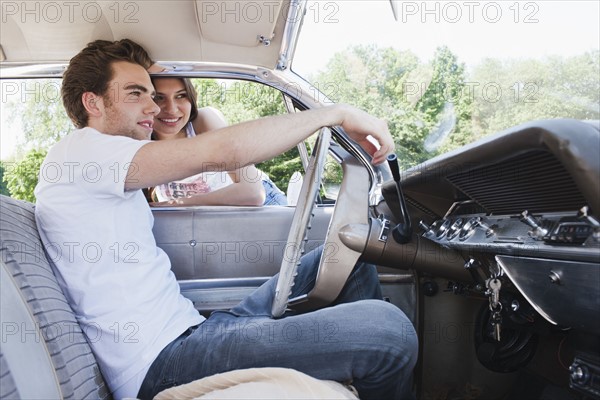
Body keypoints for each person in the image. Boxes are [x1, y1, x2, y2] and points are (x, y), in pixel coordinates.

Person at [34, 39, 417, 399]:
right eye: (136, 94)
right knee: (389, 332)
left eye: (152, 95)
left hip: (194, 331)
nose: (154, 108)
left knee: (346, 261)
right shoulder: (83, 152)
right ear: (93, 103)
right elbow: (224, 151)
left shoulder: (97, 161)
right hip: (163, 362)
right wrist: (335, 114)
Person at [149, 76, 288, 206]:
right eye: (159, 98)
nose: (171, 109)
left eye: (180, 96)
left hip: (263, 204)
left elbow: (254, 193)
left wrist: (171, 205)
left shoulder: (203, 121)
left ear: (191, 98)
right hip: (205, 218)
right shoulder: (141, 140)